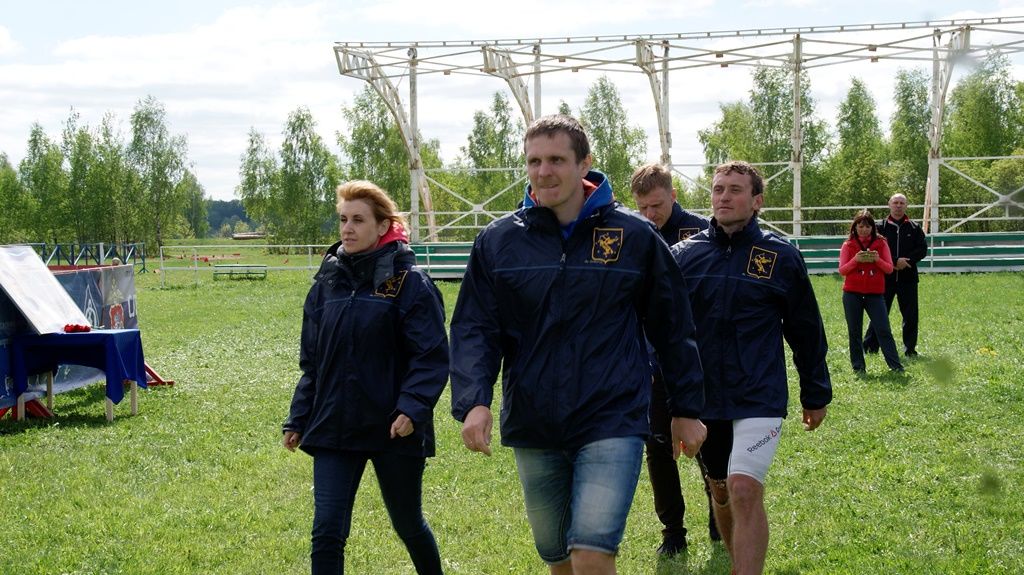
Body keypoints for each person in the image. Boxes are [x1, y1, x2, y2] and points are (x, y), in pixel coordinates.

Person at [450, 114, 707, 575]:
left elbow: (672, 326)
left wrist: (686, 408)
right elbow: (475, 327)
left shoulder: (635, 236)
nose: (543, 171)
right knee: (560, 558)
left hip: (612, 416)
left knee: (591, 551)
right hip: (533, 420)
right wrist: (474, 401)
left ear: (584, 164)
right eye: (534, 161)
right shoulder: (499, 242)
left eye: (556, 160)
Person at [671, 161, 832, 575]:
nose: (724, 196)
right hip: (704, 398)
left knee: (743, 488)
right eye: (718, 189)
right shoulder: (684, 256)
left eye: (735, 189)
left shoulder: (781, 257)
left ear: (757, 201)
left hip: (759, 394)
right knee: (721, 490)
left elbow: (806, 330)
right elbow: (664, 331)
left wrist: (815, 393)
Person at [282, 180, 449, 575]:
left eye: (358, 220)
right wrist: (298, 416)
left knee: (408, 524)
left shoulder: (411, 283)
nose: (347, 229)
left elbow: (430, 356)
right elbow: (313, 363)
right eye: (343, 219)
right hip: (335, 426)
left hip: (394, 427)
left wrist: (412, 408)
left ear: (382, 225)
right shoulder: (326, 285)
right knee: (326, 531)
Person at [629, 163, 717, 554]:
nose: (651, 214)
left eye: (657, 205)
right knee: (658, 447)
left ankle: (718, 514)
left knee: (706, 441)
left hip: (697, 359)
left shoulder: (702, 231)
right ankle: (673, 531)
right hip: (652, 363)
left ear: (673, 195)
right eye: (643, 208)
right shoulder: (632, 236)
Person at [838, 210, 904, 373]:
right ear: (855, 227)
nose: (864, 230)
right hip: (852, 293)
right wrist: (856, 260)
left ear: (873, 228)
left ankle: (895, 366)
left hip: (875, 294)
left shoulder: (881, 243)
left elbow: (889, 268)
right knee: (854, 331)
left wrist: (877, 260)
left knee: (883, 329)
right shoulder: (848, 245)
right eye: (860, 226)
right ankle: (858, 367)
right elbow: (842, 270)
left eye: (867, 227)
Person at [863, 193, 927, 357]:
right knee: (879, 314)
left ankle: (910, 350)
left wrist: (907, 261)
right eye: (895, 202)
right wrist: (894, 261)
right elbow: (872, 248)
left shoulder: (914, 227)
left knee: (910, 316)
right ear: (889, 205)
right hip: (884, 278)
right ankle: (870, 347)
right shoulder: (879, 227)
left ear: (906, 206)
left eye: (901, 203)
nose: (898, 206)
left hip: (908, 278)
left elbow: (922, 249)